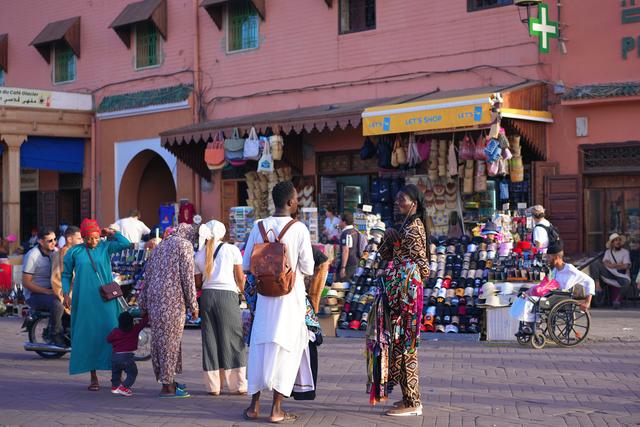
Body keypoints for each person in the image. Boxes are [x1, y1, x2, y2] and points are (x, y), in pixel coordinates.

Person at [242, 181, 314, 423]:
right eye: (296, 199)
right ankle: (276, 409)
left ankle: (254, 407)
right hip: (290, 301)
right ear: (291, 202)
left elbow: (246, 266)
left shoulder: (258, 226)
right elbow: (309, 267)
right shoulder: (299, 229)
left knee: (259, 349)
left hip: (264, 301)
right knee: (287, 349)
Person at [378, 184, 430, 417]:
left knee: (406, 346)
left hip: (408, 295)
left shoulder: (415, 229)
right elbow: (388, 255)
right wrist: (391, 240)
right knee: (399, 346)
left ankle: (414, 401)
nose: (398, 203)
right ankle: (408, 397)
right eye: (397, 200)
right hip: (401, 293)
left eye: (403, 200)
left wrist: (408, 275)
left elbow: (423, 266)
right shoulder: (405, 226)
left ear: (414, 204)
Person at [62, 219, 131, 390]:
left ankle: (117, 375)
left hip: (106, 299)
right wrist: (65, 293)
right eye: (88, 239)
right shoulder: (74, 252)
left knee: (112, 333)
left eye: (96, 238)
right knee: (89, 336)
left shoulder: (106, 247)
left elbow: (126, 243)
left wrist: (112, 233)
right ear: (83, 238)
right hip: (83, 299)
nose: (93, 242)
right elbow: (65, 275)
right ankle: (93, 377)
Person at [138, 223, 199, 398]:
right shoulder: (184, 245)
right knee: (171, 342)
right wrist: (193, 305)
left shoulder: (161, 246)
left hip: (155, 300)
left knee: (160, 341)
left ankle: (168, 380)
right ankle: (167, 386)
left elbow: (147, 276)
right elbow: (187, 278)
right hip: (172, 300)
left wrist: (142, 304)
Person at [195, 219, 247, 396]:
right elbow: (240, 278)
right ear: (222, 233)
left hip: (207, 297)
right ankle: (237, 385)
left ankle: (213, 386)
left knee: (210, 340)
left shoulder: (199, 254)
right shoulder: (232, 250)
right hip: (227, 296)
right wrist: (245, 294)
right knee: (232, 338)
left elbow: (197, 283)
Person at [23, 228, 65, 348]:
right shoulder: (32, 255)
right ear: (41, 242)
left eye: (55, 239)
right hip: (34, 295)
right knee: (58, 304)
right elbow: (26, 283)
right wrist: (47, 291)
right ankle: (54, 334)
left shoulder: (56, 252)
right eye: (49, 241)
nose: (54, 242)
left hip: (54, 290)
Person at [107, 312, 149, 397]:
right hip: (127, 357)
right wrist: (147, 314)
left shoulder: (115, 331)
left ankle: (115, 387)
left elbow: (108, 339)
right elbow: (143, 323)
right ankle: (124, 387)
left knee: (116, 372)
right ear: (132, 322)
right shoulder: (135, 329)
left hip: (115, 356)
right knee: (132, 373)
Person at [590, 233, 631, 309]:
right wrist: (618, 264)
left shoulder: (625, 252)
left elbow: (625, 266)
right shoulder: (608, 252)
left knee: (627, 282)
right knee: (594, 263)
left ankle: (617, 300)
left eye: (619, 240)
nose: (618, 242)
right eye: (616, 240)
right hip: (609, 273)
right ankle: (597, 286)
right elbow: (605, 262)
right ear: (612, 243)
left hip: (620, 275)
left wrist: (612, 265)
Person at [51, 226, 83, 315]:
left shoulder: (66, 251)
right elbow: (71, 276)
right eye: (79, 238)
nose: (82, 241)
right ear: (69, 239)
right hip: (64, 291)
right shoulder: (67, 253)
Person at [339, 212, 364, 282]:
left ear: (344, 222)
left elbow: (345, 250)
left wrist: (343, 267)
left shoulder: (345, 233)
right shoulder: (356, 231)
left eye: (340, 220)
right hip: (356, 261)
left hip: (348, 264)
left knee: (345, 285)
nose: (339, 223)